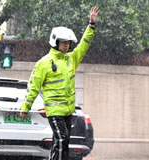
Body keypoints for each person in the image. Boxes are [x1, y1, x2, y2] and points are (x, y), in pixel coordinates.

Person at [20, 6, 99, 160]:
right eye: (63, 42)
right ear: (55, 42)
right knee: (62, 139)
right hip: (54, 111)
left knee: (61, 141)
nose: (66, 45)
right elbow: (33, 87)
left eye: (68, 43)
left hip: (68, 111)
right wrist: (25, 107)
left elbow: (84, 44)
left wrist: (91, 25)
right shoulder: (44, 63)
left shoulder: (71, 59)